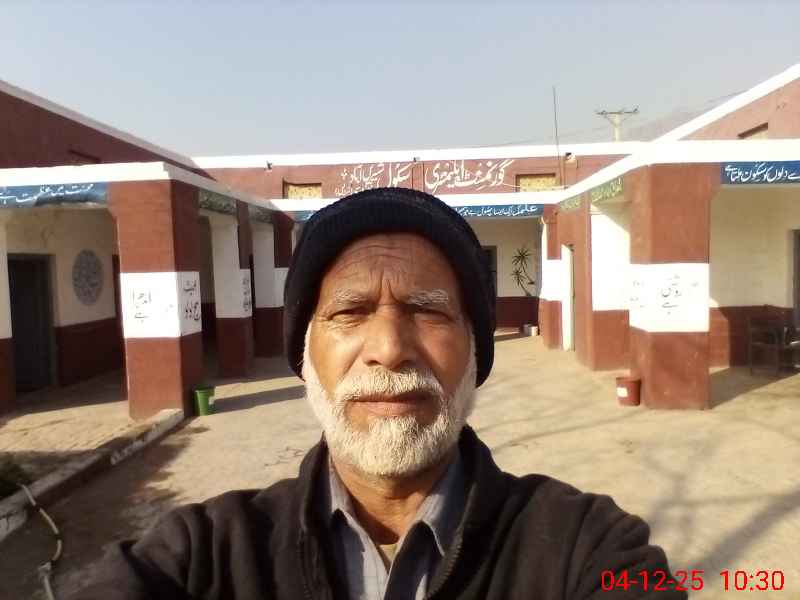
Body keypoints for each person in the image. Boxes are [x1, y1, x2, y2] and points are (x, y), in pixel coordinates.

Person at [73, 187, 685, 599]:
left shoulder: (586, 546)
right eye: (350, 312)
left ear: (475, 351)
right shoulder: (202, 555)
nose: (389, 348)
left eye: (428, 310)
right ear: (305, 355)